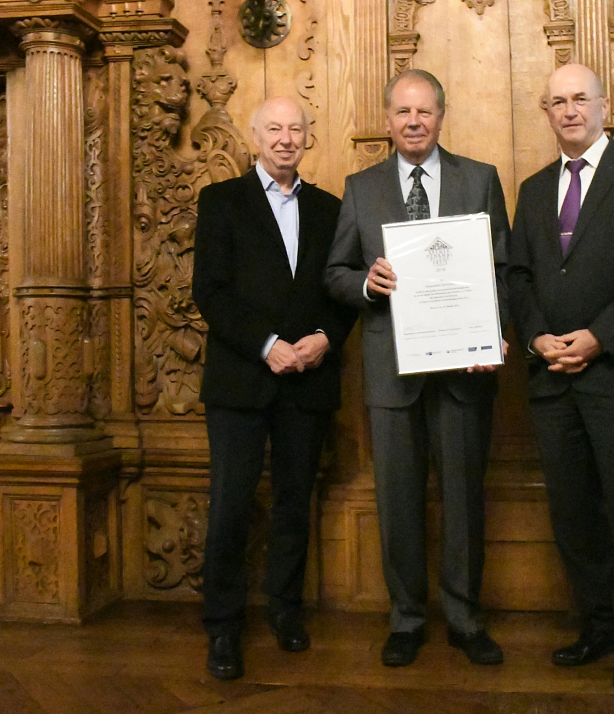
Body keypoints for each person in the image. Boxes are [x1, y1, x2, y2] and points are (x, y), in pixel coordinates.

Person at [325, 69, 510, 667]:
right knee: (397, 500)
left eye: (424, 112)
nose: (413, 122)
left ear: (441, 116)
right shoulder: (361, 188)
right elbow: (335, 274)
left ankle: (463, 617)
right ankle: (405, 617)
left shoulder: (479, 180)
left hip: (464, 371)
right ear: (387, 120)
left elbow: (501, 270)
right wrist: (367, 284)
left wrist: (494, 335)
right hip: (390, 372)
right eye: (403, 112)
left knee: (462, 498)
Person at [506, 64, 614, 692]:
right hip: (551, 377)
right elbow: (517, 276)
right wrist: (534, 336)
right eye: (557, 101)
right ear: (546, 111)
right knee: (573, 514)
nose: (570, 110)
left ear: (605, 105)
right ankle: (598, 623)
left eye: (581, 98)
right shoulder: (529, 190)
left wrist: (599, 337)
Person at [192, 96, 357, 680]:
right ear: (255, 138)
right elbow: (209, 293)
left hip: (307, 382)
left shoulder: (332, 209)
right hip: (241, 382)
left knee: (293, 503)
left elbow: (344, 292)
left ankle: (286, 611)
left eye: (296, 129)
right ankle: (223, 628)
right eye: (274, 130)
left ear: (308, 138)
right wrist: (267, 345)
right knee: (231, 506)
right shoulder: (220, 202)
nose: (285, 138)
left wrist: (323, 339)